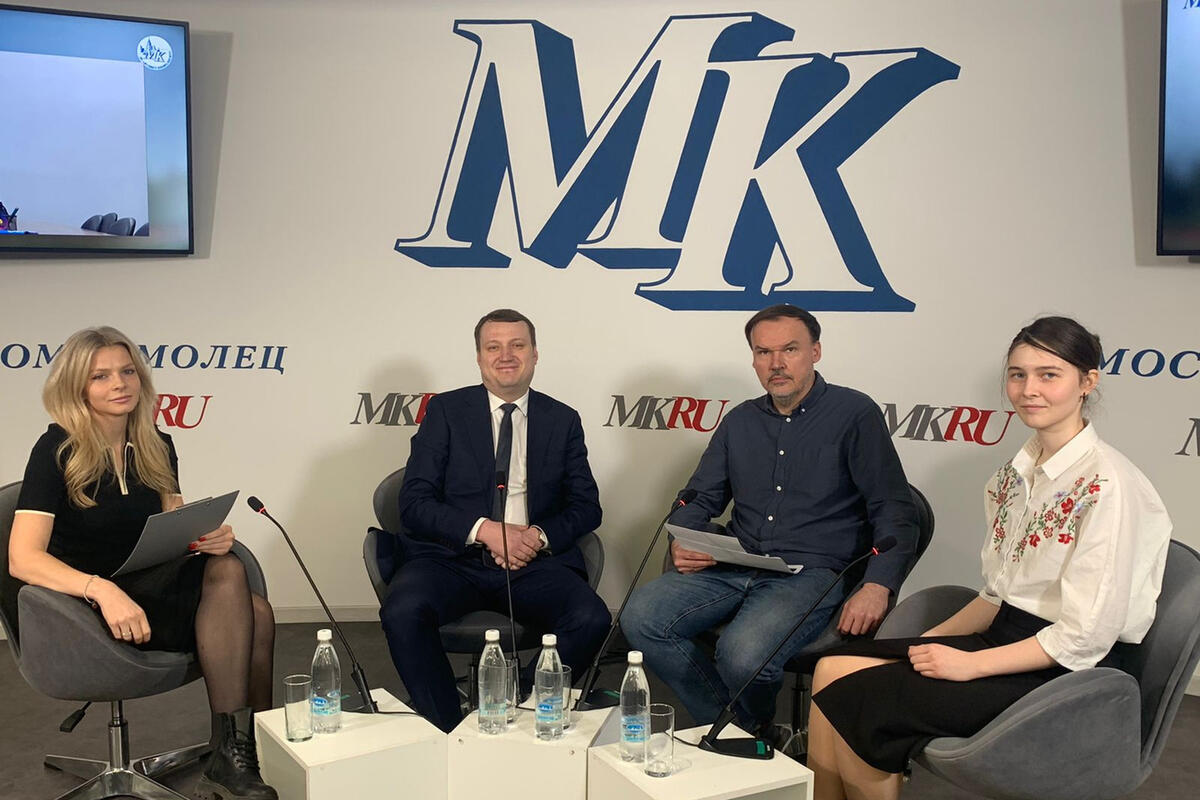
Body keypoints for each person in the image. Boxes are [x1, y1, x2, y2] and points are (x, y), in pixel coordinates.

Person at [808, 316, 1172, 800]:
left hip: (1064, 673)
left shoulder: (1108, 486)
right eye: (1018, 375)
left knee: (863, 700)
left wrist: (970, 665)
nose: (1029, 389)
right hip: (1003, 635)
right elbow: (997, 594)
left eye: (1048, 375)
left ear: (1087, 381)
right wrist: (922, 644)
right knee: (832, 668)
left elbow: (1085, 636)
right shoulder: (1013, 476)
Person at [622, 304, 919, 737]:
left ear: (815, 352)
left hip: (811, 572)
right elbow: (697, 496)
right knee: (641, 617)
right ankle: (743, 728)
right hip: (736, 561)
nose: (776, 363)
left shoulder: (854, 414)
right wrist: (683, 540)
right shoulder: (740, 421)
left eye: (789, 350)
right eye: (764, 352)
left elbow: (894, 508)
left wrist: (878, 585)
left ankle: (739, 729)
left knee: (743, 655)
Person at [6, 326, 277, 800]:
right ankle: (234, 756)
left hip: (151, 588)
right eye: (101, 376)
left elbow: (173, 527)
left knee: (240, 585)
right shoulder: (55, 450)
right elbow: (22, 558)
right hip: (87, 608)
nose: (119, 384)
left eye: (127, 371)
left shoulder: (156, 442)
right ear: (76, 387)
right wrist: (102, 590)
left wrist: (207, 537)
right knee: (250, 609)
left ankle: (239, 753)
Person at [379, 308, 611, 732]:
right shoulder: (445, 411)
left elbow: (586, 506)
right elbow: (414, 502)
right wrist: (485, 531)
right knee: (403, 611)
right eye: (494, 347)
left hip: (531, 563)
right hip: (451, 558)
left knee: (592, 618)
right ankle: (448, 727)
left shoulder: (562, 420)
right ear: (479, 357)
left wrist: (535, 537)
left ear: (535, 354)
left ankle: (520, 705)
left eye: (517, 345)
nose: (506, 355)